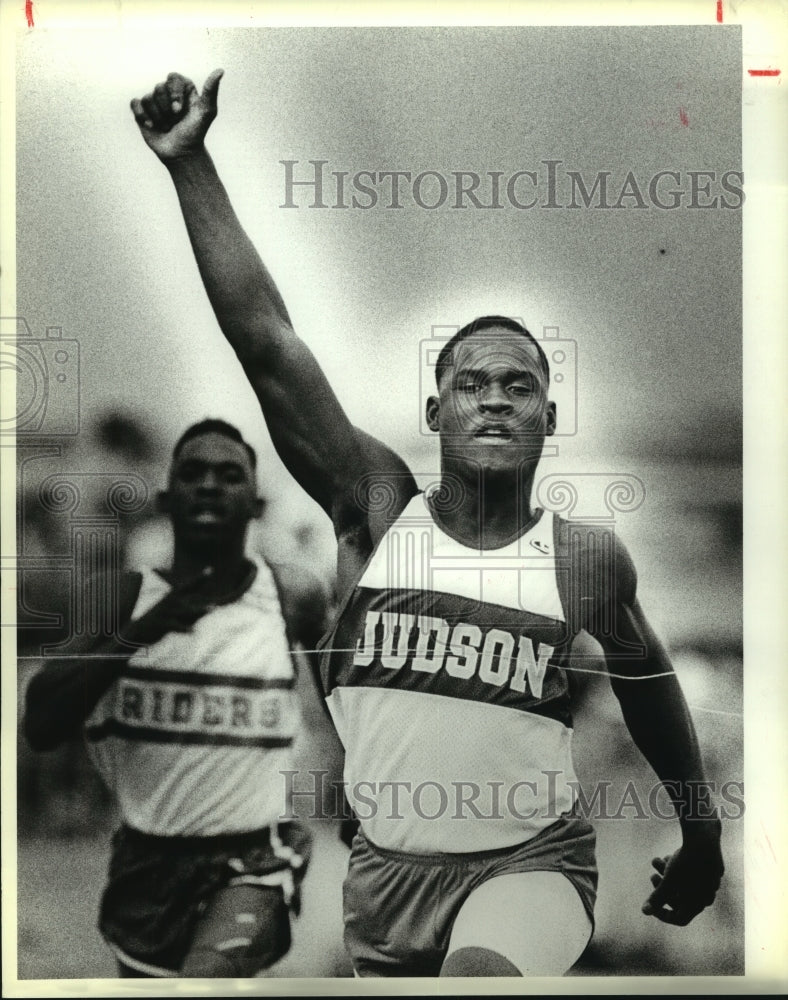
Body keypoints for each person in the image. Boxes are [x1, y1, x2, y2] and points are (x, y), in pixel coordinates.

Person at [129, 70, 725, 978]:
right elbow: (268, 345)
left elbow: (647, 679)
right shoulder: (376, 509)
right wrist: (191, 166)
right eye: (471, 384)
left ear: (548, 421)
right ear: (435, 410)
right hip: (385, 881)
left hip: (533, 868)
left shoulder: (582, 558)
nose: (494, 400)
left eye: (519, 385)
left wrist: (703, 832)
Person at [23, 419, 327, 978]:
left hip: (255, 859)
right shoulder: (122, 598)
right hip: (147, 863)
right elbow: (41, 724)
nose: (210, 484)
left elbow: (346, 702)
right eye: (192, 473)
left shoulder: (291, 597)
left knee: (203, 984)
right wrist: (139, 634)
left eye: (229, 474)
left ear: (256, 505)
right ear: (166, 499)